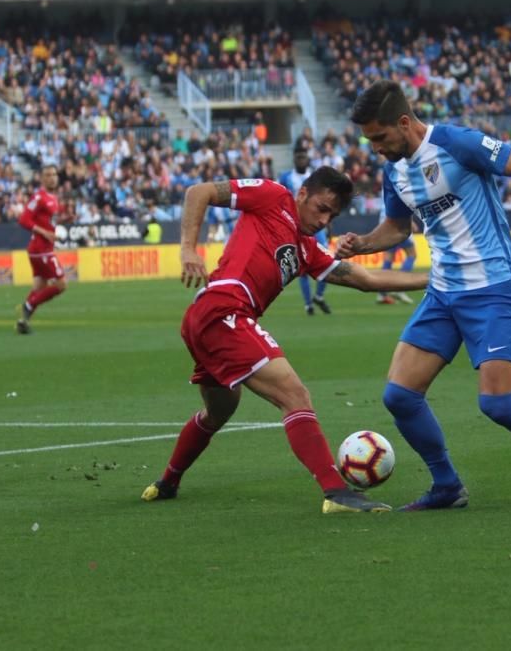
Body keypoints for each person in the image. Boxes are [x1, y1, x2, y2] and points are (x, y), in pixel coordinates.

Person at [335, 79, 511, 511]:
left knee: (497, 404)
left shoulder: (455, 143)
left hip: (493, 289)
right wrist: (362, 244)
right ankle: (447, 485)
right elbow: (398, 229)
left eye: (379, 137)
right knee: (399, 395)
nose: (375, 148)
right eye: (368, 140)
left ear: (403, 122)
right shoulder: (393, 171)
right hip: (443, 294)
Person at [141, 167, 430, 514]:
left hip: (210, 319)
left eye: (333, 215)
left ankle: (168, 482)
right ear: (303, 193)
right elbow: (198, 191)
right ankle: (337, 493)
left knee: (219, 410)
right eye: (321, 208)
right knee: (294, 395)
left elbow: (366, 279)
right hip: (224, 310)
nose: (324, 220)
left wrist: (431, 280)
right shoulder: (273, 196)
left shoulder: (306, 249)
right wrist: (188, 249)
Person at [16, 165, 66, 335]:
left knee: (39, 287)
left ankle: (23, 321)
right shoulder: (39, 197)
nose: (52, 177)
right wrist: (44, 232)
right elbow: (23, 220)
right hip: (40, 249)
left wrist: (64, 220)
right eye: (48, 175)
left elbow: (48, 222)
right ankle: (29, 305)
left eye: (54, 174)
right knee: (61, 285)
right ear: (42, 178)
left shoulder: (53, 198)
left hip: (42, 249)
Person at [280, 149, 330, 315]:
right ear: (294, 160)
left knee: (328, 259)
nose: (301, 160)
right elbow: (282, 199)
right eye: (298, 158)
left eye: (303, 157)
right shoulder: (286, 177)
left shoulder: (316, 178)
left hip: (316, 226)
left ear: (307, 160)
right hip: (297, 225)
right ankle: (308, 303)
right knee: (301, 264)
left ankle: (319, 295)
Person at [376, 212, 418, 305]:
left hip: (384, 228)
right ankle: (399, 287)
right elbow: (398, 206)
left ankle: (382, 293)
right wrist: (411, 223)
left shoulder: (383, 197)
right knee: (412, 254)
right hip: (397, 227)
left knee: (388, 259)